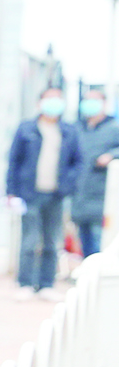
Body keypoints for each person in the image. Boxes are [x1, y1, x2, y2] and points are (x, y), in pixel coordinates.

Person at [6, 87, 86, 299]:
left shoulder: (69, 131)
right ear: (39, 102)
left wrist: (67, 185)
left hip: (56, 195)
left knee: (52, 241)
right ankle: (25, 283)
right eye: (49, 99)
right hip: (29, 193)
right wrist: (11, 191)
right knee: (29, 240)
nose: (54, 103)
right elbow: (14, 161)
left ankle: (46, 284)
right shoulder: (26, 129)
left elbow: (78, 162)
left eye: (58, 99)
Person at [73, 87, 117, 258]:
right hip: (80, 195)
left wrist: (111, 156)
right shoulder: (77, 128)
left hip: (103, 196)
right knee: (84, 242)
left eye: (95, 100)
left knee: (100, 243)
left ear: (104, 103)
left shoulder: (114, 128)